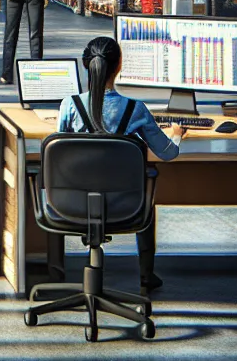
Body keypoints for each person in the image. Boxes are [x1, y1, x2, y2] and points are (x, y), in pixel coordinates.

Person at [56, 36, 185, 292]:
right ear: (119, 66)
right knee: (148, 185)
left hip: (73, 203)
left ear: (85, 65)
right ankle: (146, 274)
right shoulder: (136, 109)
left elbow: (60, 150)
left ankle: (54, 272)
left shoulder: (70, 105)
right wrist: (177, 134)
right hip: (125, 204)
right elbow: (167, 153)